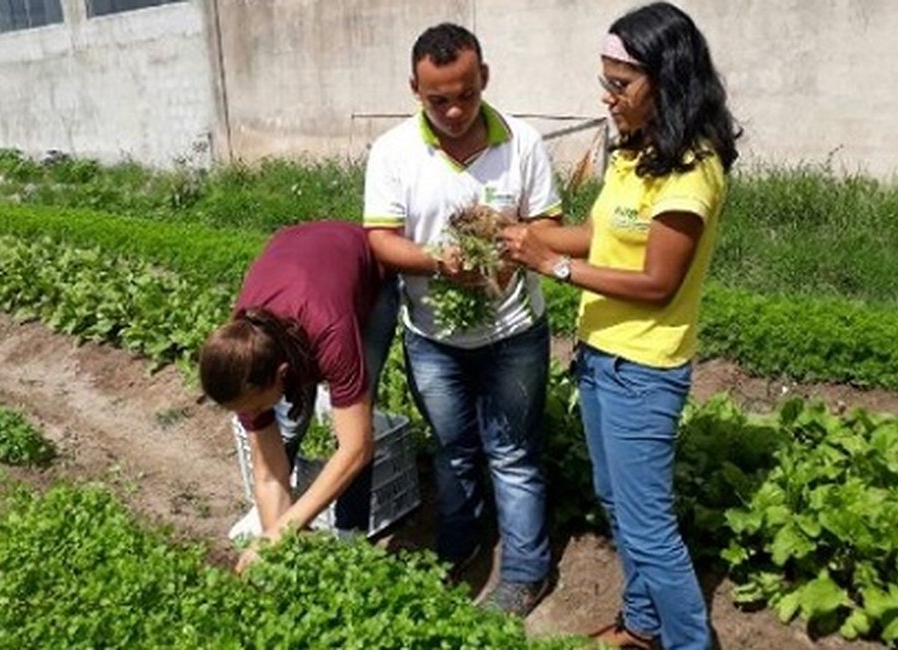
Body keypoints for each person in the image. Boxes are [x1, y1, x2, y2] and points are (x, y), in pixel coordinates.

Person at [501, 3, 740, 647]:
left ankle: (690, 641)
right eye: (604, 80)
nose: (606, 96)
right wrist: (529, 234)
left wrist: (552, 264)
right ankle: (641, 625)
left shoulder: (694, 168)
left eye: (620, 83)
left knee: (648, 526)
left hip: (644, 369)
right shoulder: (639, 151)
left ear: (667, 79)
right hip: (601, 357)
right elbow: (605, 238)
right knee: (618, 505)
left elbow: (658, 285)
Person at [363, 22, 562, 616]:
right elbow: (380, 240)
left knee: (513, 453)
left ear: (485, 79)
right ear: (414, 90)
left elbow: (549, 224)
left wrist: (512, 244)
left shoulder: (521, 144)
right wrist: (435, 263)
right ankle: (458, 546)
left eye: (466, 94)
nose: (454, 109)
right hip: (433, 337)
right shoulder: (393, 151)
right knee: (452, 450)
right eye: (437, 99)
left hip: (513, 332)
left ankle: (527, 572)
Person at [199, 220, 397, 572]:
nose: (257, 414)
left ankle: (349, 538)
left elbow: (357, 448)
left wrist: (281, 532)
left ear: (282, 375)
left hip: (362, 271)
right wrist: (276, 545)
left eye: (259, 406)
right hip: (297, 260)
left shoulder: (332, 332)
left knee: (353, 421)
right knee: (285, 436)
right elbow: (268, 473)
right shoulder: (243, 350)